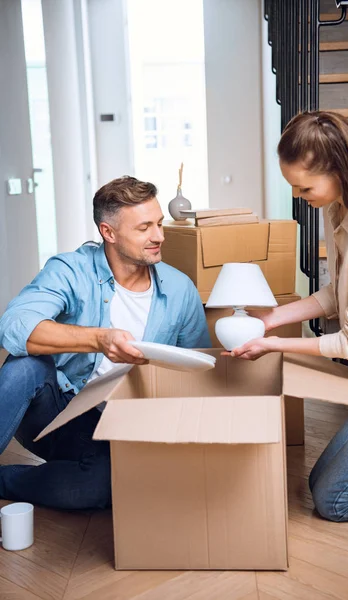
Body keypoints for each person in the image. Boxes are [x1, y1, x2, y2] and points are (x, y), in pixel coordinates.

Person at [227, 111, 348, 522]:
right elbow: (336, 296)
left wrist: (274, 344)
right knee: (317, 482)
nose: (298, 196)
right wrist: (272, 317)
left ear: (339, 171)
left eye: (304, 187)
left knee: (334, 502)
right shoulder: (338, 212)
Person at [0, 176, 211, 510]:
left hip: (117, 425)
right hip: (57, 409)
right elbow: (14, 327)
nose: (159, 236)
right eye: (144, 228)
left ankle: (6, 480)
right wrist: (99, 339)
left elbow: (200, 369)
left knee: (98, 487)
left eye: (159, 223)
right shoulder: (70, 270)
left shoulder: (179, 289)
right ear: (108, 232)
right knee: (24, 366)